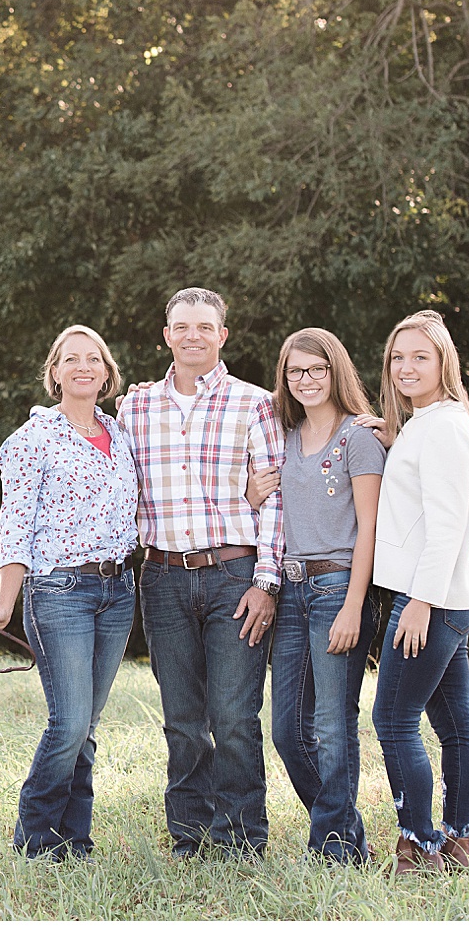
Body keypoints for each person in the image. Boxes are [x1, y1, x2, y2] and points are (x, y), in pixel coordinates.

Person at [119, 287, 283, 859]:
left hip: (233, 576)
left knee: (235, 715)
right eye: (181, 326)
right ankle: (189, 834)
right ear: (166, 335)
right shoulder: (134, 408)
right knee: (183, 718)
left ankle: (241, 838)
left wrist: (266, 581)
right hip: (161, 579)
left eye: (204, 327)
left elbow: (276, 500)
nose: (192, 335)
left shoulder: (254, 402)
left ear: (222, 336)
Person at [0, 325, 141, 860]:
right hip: (60, 591)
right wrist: (5, 603)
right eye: (71, 359)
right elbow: (15, 526)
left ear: (108, 373)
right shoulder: (30, 441)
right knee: (68, 723)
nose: (84, 367)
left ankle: (77, 841)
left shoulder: (121, 435)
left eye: (94, 358)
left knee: (86, 726)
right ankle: (37, 838)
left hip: (118, 590)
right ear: (55, 373)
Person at [246, 328, 385, 865]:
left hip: (337, 589)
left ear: (335, 372)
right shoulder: (285, 437)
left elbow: (369, 527)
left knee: (333, 726)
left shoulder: (359, 438)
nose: (305, 380)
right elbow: (268, 506)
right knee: (286, 730)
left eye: (316, 370)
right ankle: (347, 835)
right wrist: (251, 492)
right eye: (294, 371)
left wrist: (354, 604)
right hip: (292, 589)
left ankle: (331, 850)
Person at [369, 309, 469, 876]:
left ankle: (419, 845)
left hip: (431, 600)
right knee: (455, 727)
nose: (407, 366)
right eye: (398, 357)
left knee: (392, 720)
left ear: (444, 362)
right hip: (454, 595)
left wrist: (419, 602)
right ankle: (457, 843)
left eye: (421, 357)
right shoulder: (434, 422)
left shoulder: (440, 427)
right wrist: (397, 439)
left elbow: (445, 526)